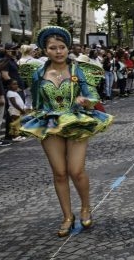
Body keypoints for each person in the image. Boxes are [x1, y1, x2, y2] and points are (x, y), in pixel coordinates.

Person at [19, 26, 113, 237]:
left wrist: (86, 101)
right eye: (53, 48)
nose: (58, 51)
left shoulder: (79, 70)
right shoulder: (38, 74)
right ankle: (67, 216)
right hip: (50, 123)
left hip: (76, 121)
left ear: (67, 48)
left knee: (76, 170)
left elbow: (94, 97)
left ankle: (86, 207)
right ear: (45, 50)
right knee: (60, 173)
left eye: (62, 47)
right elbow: (36, 101)